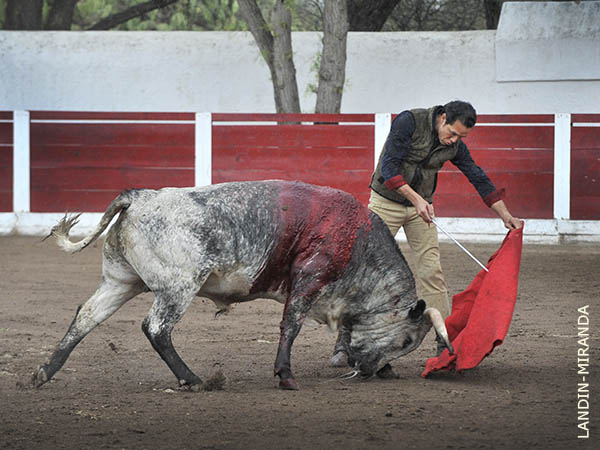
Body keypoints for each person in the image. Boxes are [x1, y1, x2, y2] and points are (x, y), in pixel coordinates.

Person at [330, 100, 522, 365]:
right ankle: (343, 343)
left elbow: (477, 176)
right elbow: (388, 170)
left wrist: (505, 215)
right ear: (442, 117)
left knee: (432, 272)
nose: (453, 140)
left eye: (460, 137)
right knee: (364, 270)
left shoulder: (454, 145)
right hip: (386, 202)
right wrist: (417, 199)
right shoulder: (409, 122)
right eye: (452, 133)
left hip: (422, 209)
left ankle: (444, 342)